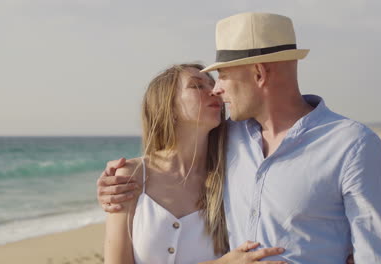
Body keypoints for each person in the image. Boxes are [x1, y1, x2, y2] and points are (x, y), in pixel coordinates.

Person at [99, 13, 381, 263]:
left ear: (258, 74)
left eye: (223, 76)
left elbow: (376, 255)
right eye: (200, 85)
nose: (217, 90)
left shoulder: (352, 146)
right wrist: (113, 184)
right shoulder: (227, 140)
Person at [103, 63, 287, 264]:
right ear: (168, 106)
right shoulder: (132, 175)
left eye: (213, 84)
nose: (215, 91)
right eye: (197, 86)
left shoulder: (230, 176)